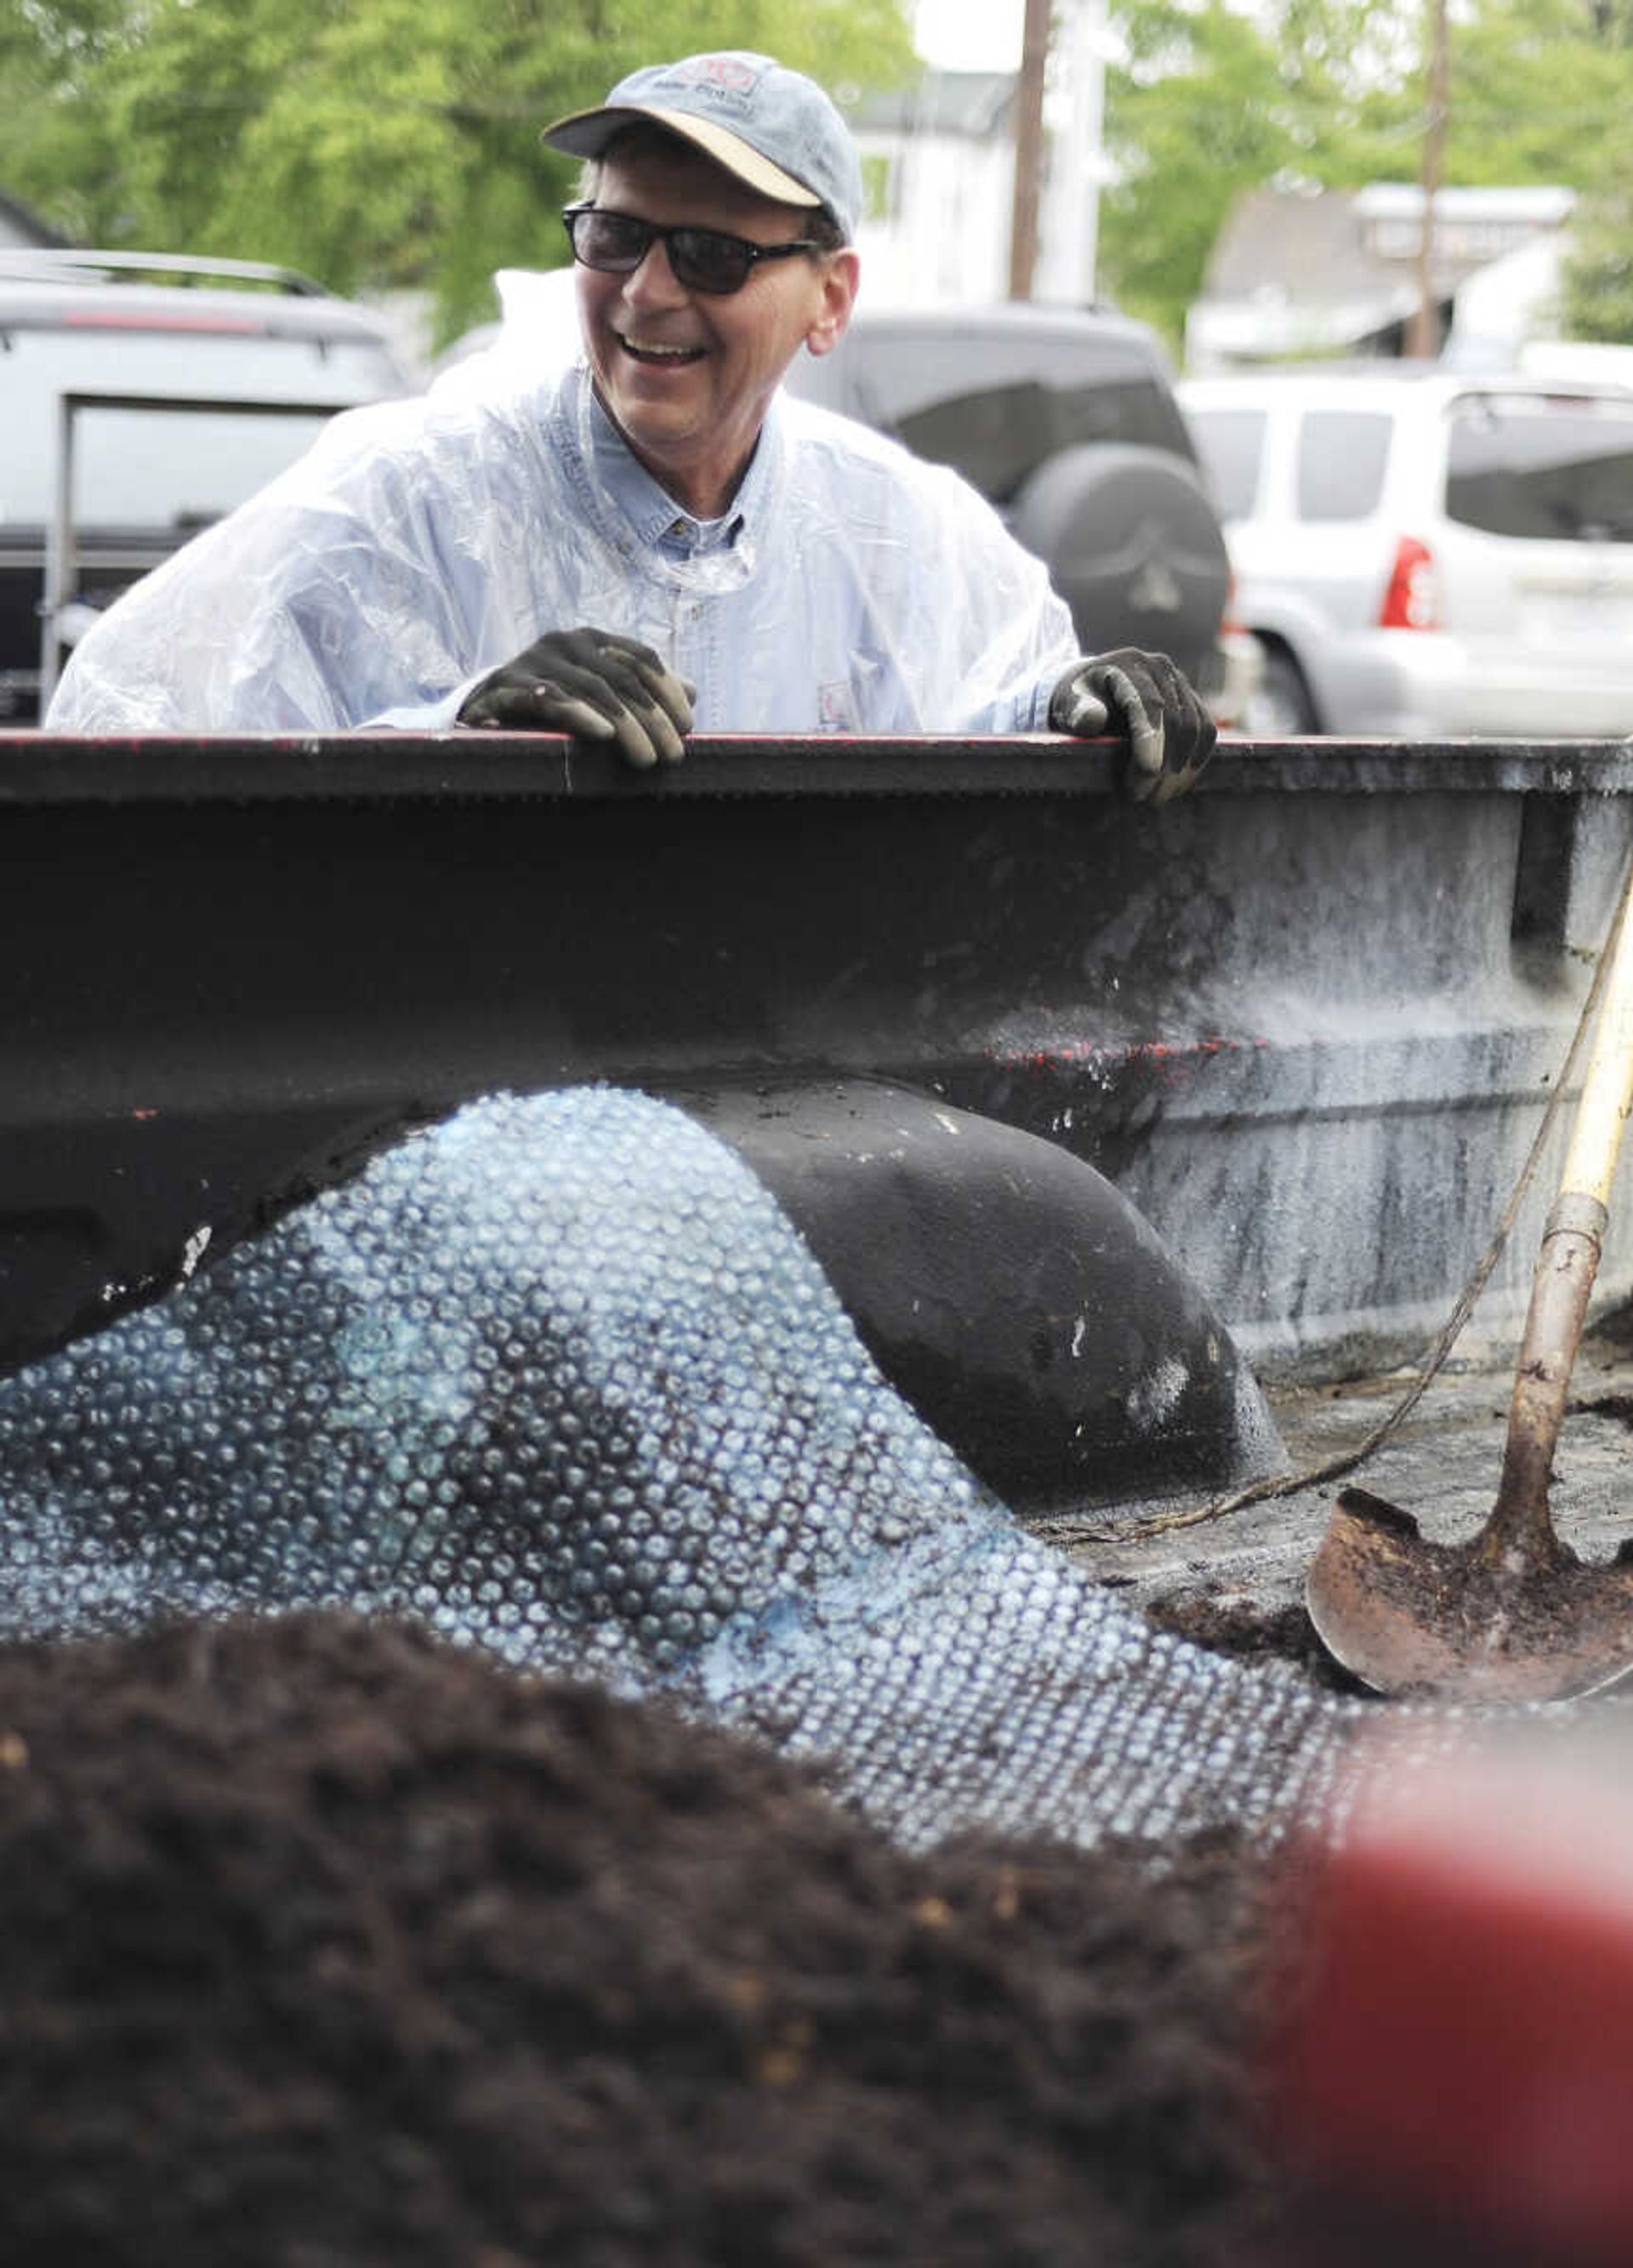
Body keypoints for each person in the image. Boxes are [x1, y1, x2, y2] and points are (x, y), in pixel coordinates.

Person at [46, 49, 1215, 801]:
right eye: (614, 237)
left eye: (711, 253)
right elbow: (122, 731)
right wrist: (446, 741)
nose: (648, 292)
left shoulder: (901, 534)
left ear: (832, 299)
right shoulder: (401, 500)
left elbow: (986, 723)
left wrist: (1075, 718)